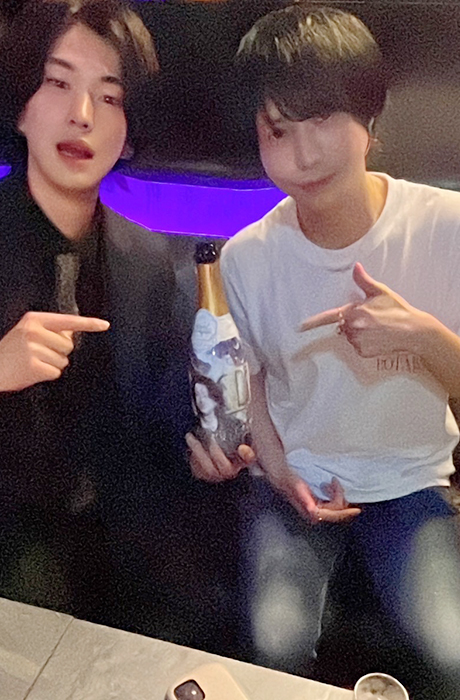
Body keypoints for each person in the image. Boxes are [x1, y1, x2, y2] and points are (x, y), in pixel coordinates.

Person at [187, 6, 460, 698]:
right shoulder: (246, 258)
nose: (303, 155)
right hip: (296, 480)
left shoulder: (445, 228)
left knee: (454, 647)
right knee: (273, 644)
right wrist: (278, 470)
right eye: (278, 131)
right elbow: (247, 382)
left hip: (409, 479)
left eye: (323, 119)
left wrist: (423, 337)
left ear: (370, 116)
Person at [0, 0, 193, 631]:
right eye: (57, 82)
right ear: (21, 104)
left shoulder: (149, 259)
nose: (82, 114)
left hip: (120, 537)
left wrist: (217, 446)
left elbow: (167, 420)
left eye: (109, 96)